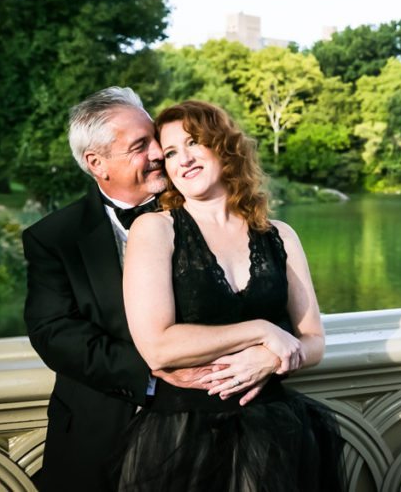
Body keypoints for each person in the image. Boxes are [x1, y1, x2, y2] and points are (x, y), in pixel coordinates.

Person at [118, 100, 345, 491]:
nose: (183, 159)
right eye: (171, 152)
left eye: (194, 143)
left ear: (224, 146)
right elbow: (157, 347)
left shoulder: (281, 235)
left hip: (276, 432)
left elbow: (314, 342)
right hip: (183, 438)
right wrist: (261, 329)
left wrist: (269, 356)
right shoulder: (155, 230)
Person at [23, 87, 221, 491]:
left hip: (207, 430)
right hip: (99, 434)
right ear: (97, 163)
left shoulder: (205, 211)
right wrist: (157, 370)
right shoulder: (53, 237)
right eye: (139, 145)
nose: (157, 152)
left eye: (155, 139)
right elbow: (55, 333)